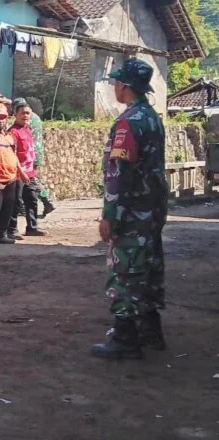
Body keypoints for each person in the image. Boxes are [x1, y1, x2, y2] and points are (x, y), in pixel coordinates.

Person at [91, 58, 168, 360]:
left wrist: (111, 213)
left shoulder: (129, 122)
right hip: (152, 209)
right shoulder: (152, 117)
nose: (113, 87)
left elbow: (120, 171)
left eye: (115, 83)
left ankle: (125, 338)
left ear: (124, 86)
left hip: (132, 210)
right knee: (148, 266)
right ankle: (150, 331)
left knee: (125, 270)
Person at [0, 104, 29, 247]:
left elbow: (14, 157)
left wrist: (21, 173)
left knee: (7, 207)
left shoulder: (9, 137)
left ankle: (1, 234)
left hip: (11, 178)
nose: (0, 121)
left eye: (3, 118)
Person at [8, 101, 46, 238]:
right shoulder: (13, 132)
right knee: (16, 202)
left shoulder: (28, 129)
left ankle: (32, 228)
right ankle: (11, 230)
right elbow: (12, 154)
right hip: (17, 174)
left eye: (28, 113)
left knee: (32, 200)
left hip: (30, 173)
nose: (25, 116)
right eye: (22, 113)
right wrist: (21, 172)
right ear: (15, 114)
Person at [23, 97, 56, 217]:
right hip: (37, 152)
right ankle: (45, 201)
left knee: (30, 179)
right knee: (29, 178)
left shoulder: (27, 119)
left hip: (30, 153)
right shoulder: (36, 117)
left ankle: (47, 200)